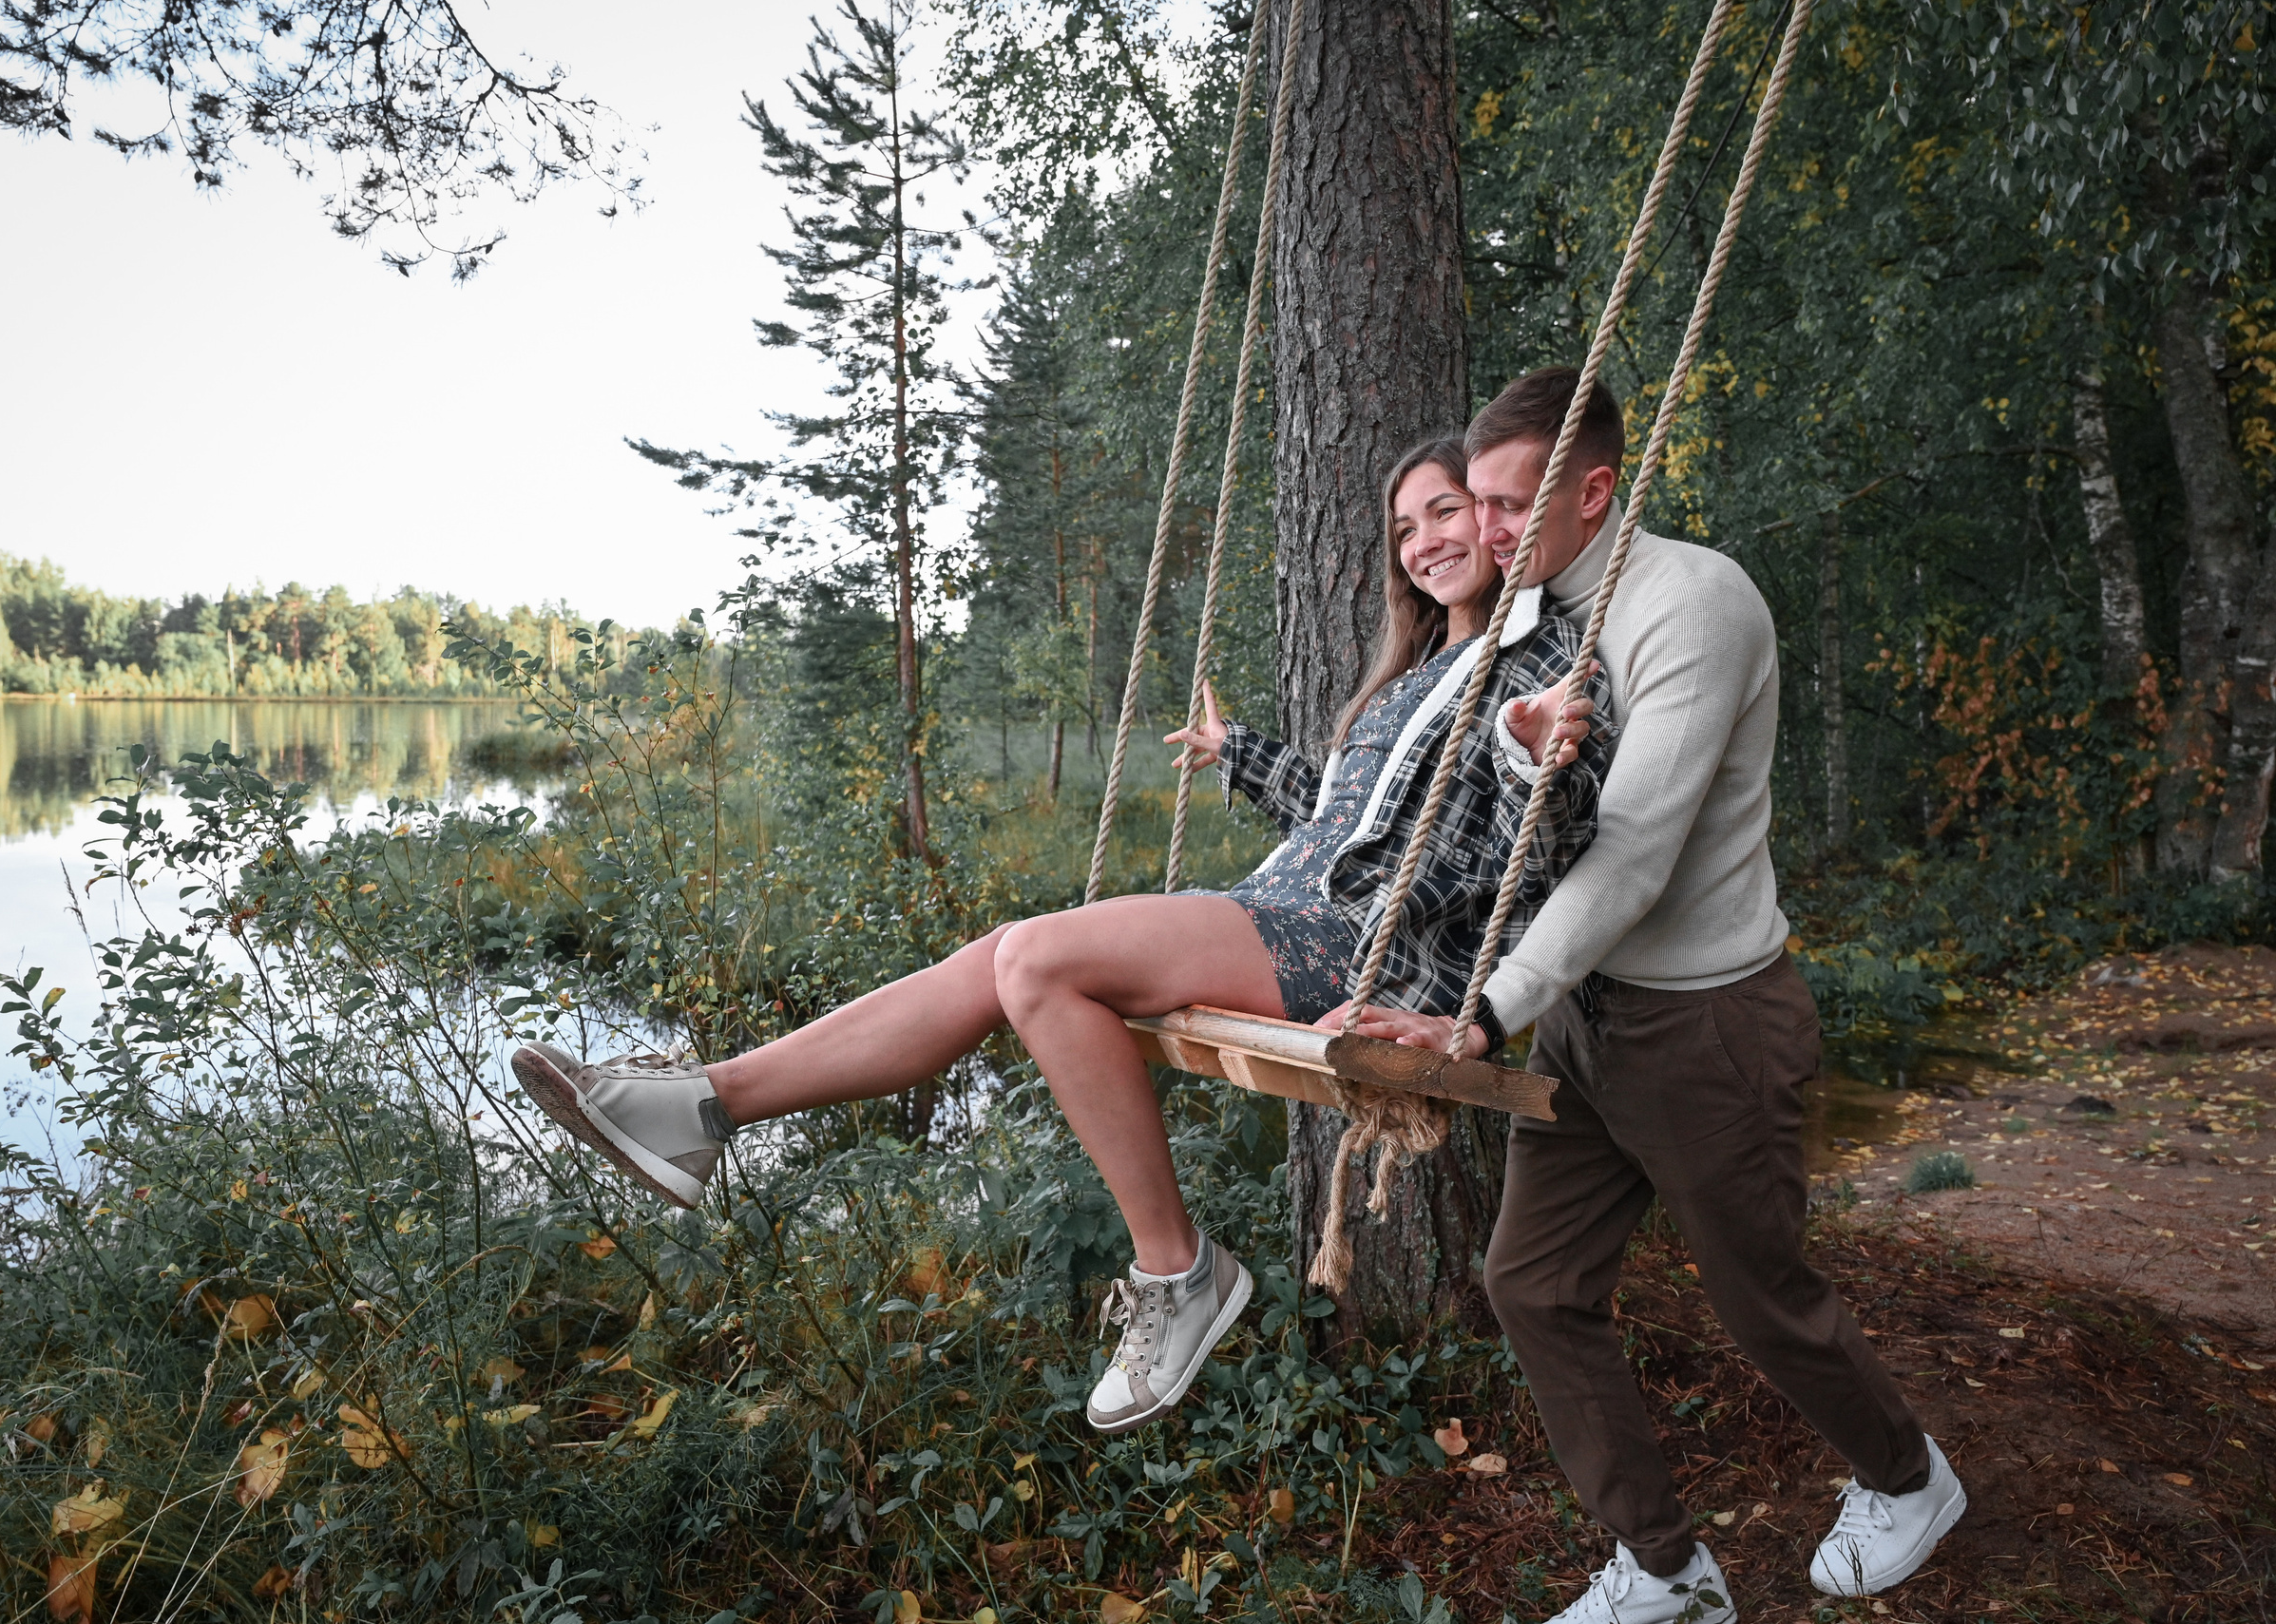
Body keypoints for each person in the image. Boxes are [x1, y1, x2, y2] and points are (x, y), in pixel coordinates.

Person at [510, 432, 1611, 1438]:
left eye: (1448, 512)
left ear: (1502, 516)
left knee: (1036, 957)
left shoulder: (1544, 666)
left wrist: (1530, 758)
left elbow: (1550, 847)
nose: (1425, 540)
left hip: (1371, 944)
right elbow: (1346, 814)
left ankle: (1179, 1273)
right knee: (1004, 954)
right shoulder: (1414, 678)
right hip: (1298, 906)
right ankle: (703, 1102)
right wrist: (1240, 756)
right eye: (1405, 525)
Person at [1345, 370, 1964, 1624]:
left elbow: (1630, 854)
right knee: (1532, 1282)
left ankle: (1908, 1476)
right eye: (1479, 504)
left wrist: (1482, 1013)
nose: (1489, 531)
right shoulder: (1536, 623)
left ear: (1596, 490)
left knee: (1763, 1300)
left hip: (1706, 1023)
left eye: (1515, 506)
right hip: (1584, 1015)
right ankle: (1669, 1571)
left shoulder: (1691, 604)